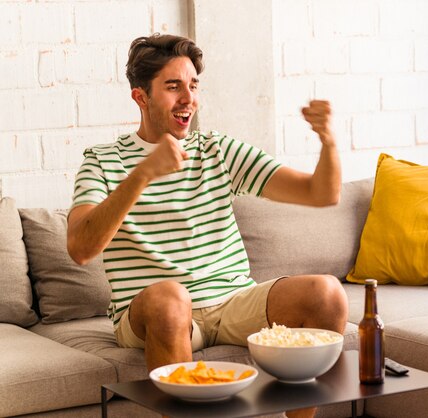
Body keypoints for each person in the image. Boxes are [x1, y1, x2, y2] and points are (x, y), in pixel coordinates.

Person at [66, 33, 348, 415]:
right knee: (171, 298)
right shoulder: (102, 161)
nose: (188, 99)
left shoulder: (216, 149)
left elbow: (320, 194)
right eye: (173, 86)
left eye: (193, 85)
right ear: (141, 97)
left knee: (326, 292)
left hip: (232, 301)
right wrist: (143, 174)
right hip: (153, 311)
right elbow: (81, 248)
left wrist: (328, 142)